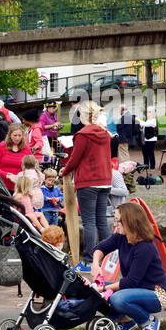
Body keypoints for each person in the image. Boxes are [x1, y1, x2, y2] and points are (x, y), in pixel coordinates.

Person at [90, 202, 166, 330]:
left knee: (117, 298)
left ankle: (148, 321)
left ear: (130, 221)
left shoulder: (145, 247)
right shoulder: (121, 237)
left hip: (155, 293)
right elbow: (100, 248)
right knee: (91, 291)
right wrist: (95, 264)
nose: (115, 224)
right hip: (134, 289)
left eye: (117, 220)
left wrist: (104, 288)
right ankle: (126, 321)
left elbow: (130, 282)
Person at [63, 101, 114, 271]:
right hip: (105, 180)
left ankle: (88, 261)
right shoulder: (105, 133)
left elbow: (75, 159)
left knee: (89, 222)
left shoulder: (82, 135)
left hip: (88, 181)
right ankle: (108, 259)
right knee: (102, 221)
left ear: (81, 115)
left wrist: (65, 170)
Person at [0, 124, 29, 190]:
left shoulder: (26, 149)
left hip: (20, 187)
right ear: (10, 135)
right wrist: (6, 175)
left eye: (19, 135)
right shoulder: (2, 146)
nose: (17, 138)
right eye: (15, 135)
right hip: (2, 186)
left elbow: (31, 166)